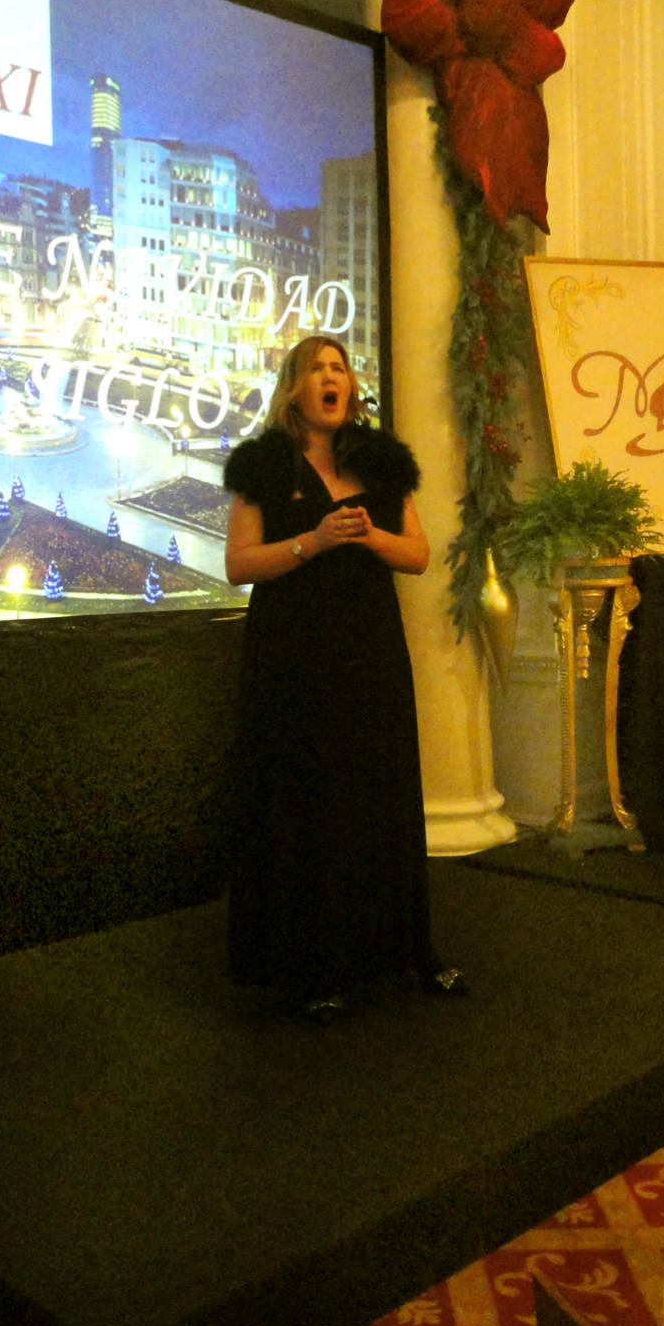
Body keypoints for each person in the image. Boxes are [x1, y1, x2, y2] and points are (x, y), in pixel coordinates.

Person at [221, 334, 466, 1024]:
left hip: (368, 651)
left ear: (350, 388)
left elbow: (417, 554)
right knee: (310, 803)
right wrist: (314, 541)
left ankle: (405, 949)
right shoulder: (264, 464)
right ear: (294, 388)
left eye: (339, 367)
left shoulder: (381, 462)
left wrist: (364, 536)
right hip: (294, 657)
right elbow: (238, 565)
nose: (332, 377)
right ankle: (314, 965)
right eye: (317, 368)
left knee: (379, 791)